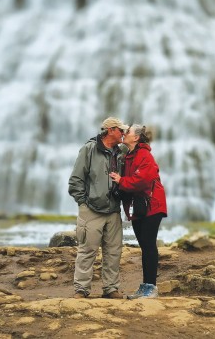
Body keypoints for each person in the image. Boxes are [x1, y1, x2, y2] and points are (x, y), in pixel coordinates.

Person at [68, 117, 128, 299]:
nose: (123, 134)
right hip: (91, 210)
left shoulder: (121, 151)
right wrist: (83, 203)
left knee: (114, 251)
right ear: (110, 130)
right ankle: (81, 289)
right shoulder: (89, 149)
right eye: (120, 130)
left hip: (113, 210)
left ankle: (111, 288)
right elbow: (75, 179)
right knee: (87, 250)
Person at [110, 124, 167, 299]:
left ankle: (151, 288)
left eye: (127, 132)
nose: (124, 133)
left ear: (136, 138)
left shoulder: (144, 155)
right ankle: (145, 286)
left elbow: (142, 180)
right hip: (140, 207)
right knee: (145, 246)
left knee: (149, 245)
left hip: (152, 206)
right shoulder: (128, 155)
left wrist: (121, 180)